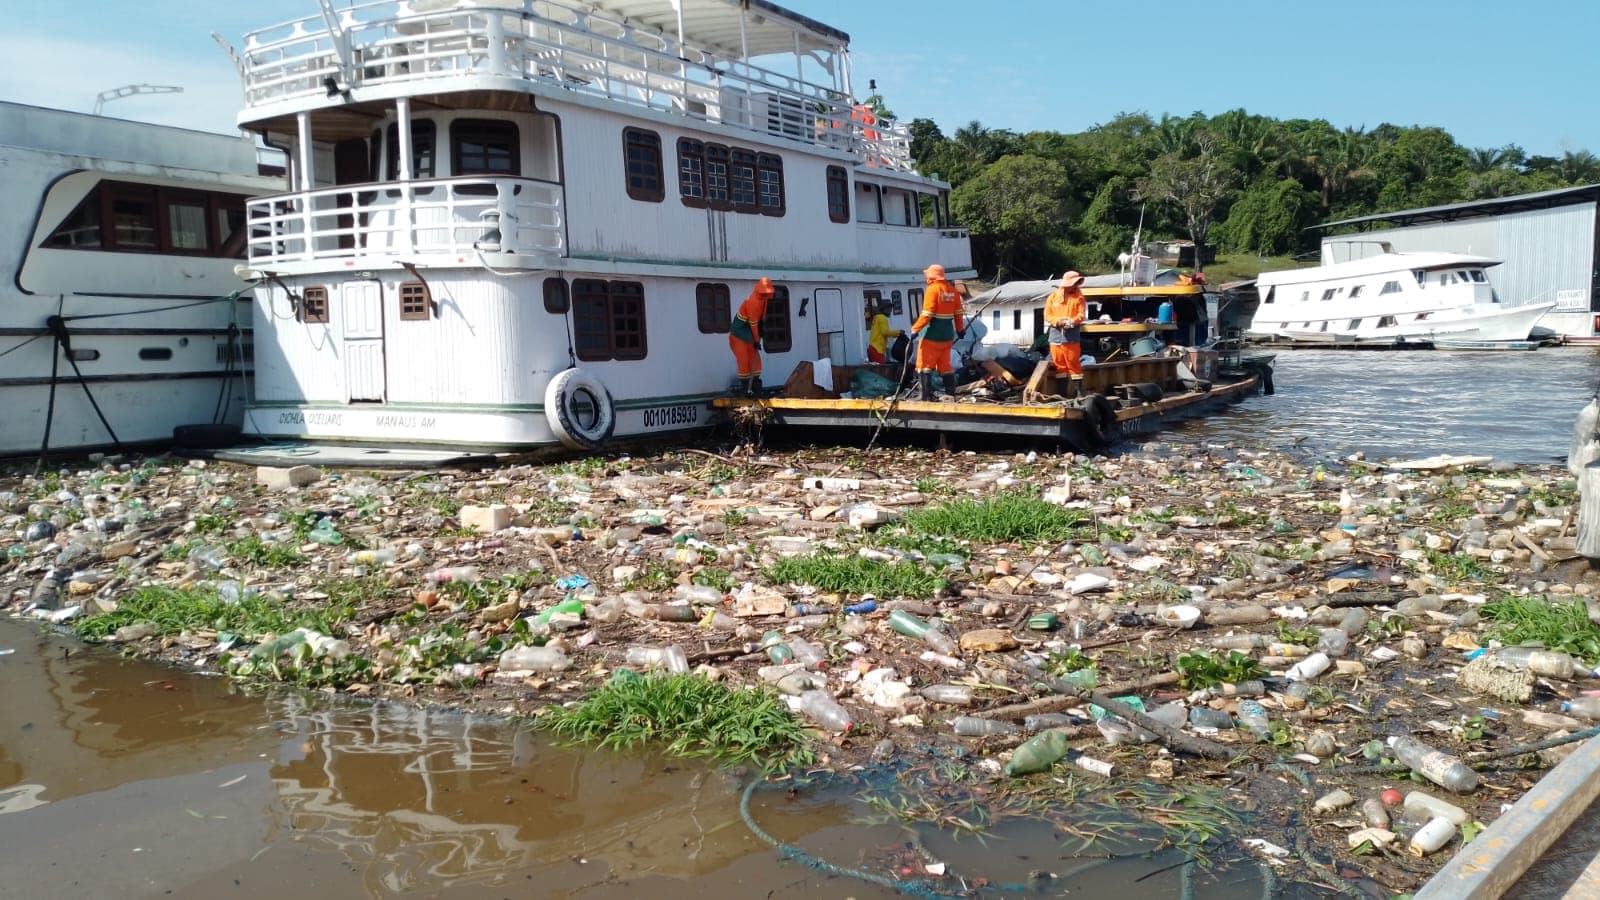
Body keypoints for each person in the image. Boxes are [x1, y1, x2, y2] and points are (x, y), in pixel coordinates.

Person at [911, 264, 965, 400]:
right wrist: (960, 330)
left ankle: (924, 396)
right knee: (945, 366)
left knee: (924, 366)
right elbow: (958, 314)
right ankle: (950, 394)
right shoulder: (953, 291)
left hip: (931, 335)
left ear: (931, 276)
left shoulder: (932, 290)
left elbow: (927, 314)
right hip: (947, 337)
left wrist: (915, 329)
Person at [1043, 270, 1087, 398]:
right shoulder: (1053, 297)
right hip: (1055, 335)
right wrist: (1057, 321)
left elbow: (1081, 315)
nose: (1076, 285)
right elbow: (1047, 315)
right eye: (1074, 283)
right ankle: (1062, 394)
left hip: (1071, 335)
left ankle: (1079, 393)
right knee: (1059, 365)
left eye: (1077, 283)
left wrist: (1072, 321)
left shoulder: (1079, 297)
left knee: (1073, 363)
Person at [729, 277, 775, 397]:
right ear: (759, 291)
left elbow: (761, 319)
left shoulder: (764, 300)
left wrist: (763, 327)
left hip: (749, 330)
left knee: (755, 359)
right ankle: (745, 389)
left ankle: (755, 385)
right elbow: (753, 324)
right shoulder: (753, 302)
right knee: (744, 359)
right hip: (739, 331)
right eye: (764, 293)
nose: (766, 295)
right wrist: (756, 341)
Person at [866, 299, 903, 364]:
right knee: (880, 370)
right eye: (889, 308)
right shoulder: (883, 318)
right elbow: (885, 332)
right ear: (884, 309)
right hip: (877, 350)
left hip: (872, 348)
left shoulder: (876, 317)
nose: (890, 311)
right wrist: (899, 332)